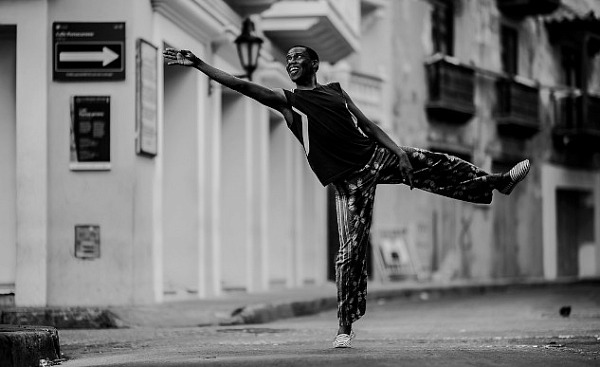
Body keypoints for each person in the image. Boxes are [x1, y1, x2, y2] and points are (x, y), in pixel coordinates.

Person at [163, 45, 530, 348]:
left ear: (314, 65)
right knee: (349, 253)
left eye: (297, 58)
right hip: (349, 183)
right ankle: (344, 326)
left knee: (437, 163)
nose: (291, 63)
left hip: (376, 156)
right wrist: (197, 64)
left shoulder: (336, 91)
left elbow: (369, 125)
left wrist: (399, 153)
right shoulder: (288, 102)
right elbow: (241, 85)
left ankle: (495, 182)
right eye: (288, 60)